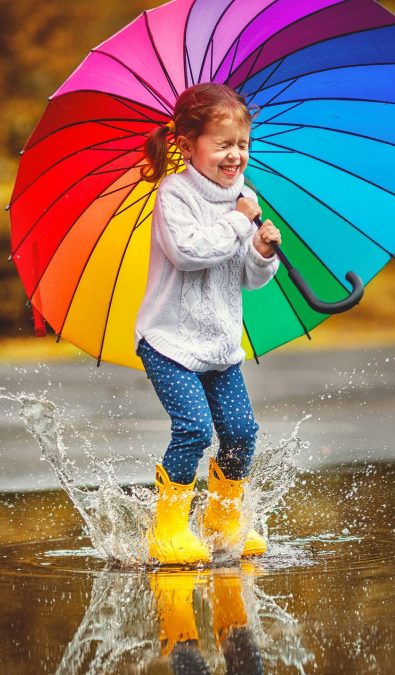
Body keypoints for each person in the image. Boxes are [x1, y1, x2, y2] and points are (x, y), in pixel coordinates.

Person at [136, 83, 281, 565]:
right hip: (169, 342)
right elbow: (190, 253)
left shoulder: (245, 196)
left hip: (218, 343)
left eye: (242, 144)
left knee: (241, 432)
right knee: (194, 430)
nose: (235, 155)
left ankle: (223, 521)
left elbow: (246, 277)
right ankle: (170, 528)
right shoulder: (173, 194)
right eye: (222, 144)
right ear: (186, 144)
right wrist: (241, 223)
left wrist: (261, 253)